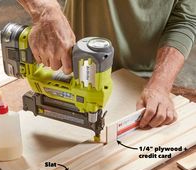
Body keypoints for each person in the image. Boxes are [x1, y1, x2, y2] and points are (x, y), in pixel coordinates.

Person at [17, 0, 196, 128]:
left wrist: (160, 85)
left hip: (140, 85)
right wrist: (44, 9)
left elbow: (185, 18)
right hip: (76, 69)